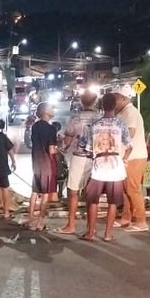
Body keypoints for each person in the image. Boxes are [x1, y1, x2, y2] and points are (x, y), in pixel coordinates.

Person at [82, 93, 132, 242]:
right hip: (116, 168)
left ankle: (90, 233)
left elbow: (88, 148)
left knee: (93, 201)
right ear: (114, 106)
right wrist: (124, 158)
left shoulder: (94, 125)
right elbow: (129, 145)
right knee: (113, 202)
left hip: (98, 168)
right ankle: (108, 234)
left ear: (102, 106)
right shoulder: (121, 124)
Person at [56, 91, 101, 235]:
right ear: (95, 102)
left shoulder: (75, 119)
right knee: (91, 195)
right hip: (96, 159)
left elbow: (67, 142)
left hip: (79, 157)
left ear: (81, 102)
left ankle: (71, 225)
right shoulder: (100, 118)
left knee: (73, 191)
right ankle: (90, 228)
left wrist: (60, 148)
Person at [115, 92, 149, 233]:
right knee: (126, 189)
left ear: (124, 98)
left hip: (134, 156)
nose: (114, 102)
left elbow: (130, 133)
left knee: (132, 189)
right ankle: (126, 217)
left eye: (116, 99)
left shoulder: (130, 112)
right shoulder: (124, 112)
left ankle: (141, 221)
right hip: (128, 156)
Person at [28, 102, 58, 230]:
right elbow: (51, 150)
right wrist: (59, 148)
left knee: (34, 191)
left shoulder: (34, 126)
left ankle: (30, 219)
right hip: (47, 164)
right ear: (46, 112)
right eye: (51, 107)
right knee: (45, 194)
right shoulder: (51, 129)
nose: (53, 109)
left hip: (36, 162)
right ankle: (40, 221)